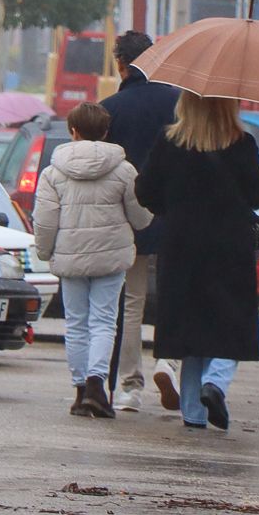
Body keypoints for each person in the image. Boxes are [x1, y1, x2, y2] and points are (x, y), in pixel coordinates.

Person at [134, 91, 259, 431]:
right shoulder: (241, 144)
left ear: (187, 103)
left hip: (181, 246)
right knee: (231, 323)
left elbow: (145, 191)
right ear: (228, 106)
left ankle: (194, 415)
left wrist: (172, 209)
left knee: (190, 330)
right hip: (229, 247)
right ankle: (215, 382)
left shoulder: (169, 141)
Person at [32, 103, 152, 419]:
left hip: (70, 256)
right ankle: (97, 385)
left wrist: (44, 252)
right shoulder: (124, 170)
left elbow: (45, 220)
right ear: (106, 132)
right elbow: (140, 218)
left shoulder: (53, 173)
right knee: (103, 321)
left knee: (76, 323)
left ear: (73, 131)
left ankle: (80, 391)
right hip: (111, 256)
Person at [98, 29, 181, 412]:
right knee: (175, 296)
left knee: (131, 303)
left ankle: (130, 386)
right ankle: (170, 364)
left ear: (120, 64)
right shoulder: (178, 104)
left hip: (129, 216)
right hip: (177, 214)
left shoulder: (110, 108)